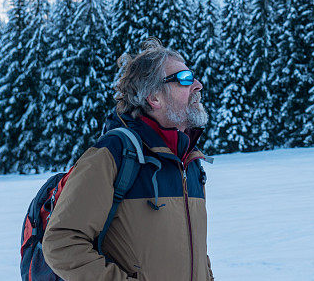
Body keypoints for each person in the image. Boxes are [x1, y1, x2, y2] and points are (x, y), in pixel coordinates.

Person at [43, 38, 214, 281]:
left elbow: (196, 252)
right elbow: (61, 243)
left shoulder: (189, 161)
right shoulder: (113, 154)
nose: (197, 85)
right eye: (185, 79)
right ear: (154, 98)